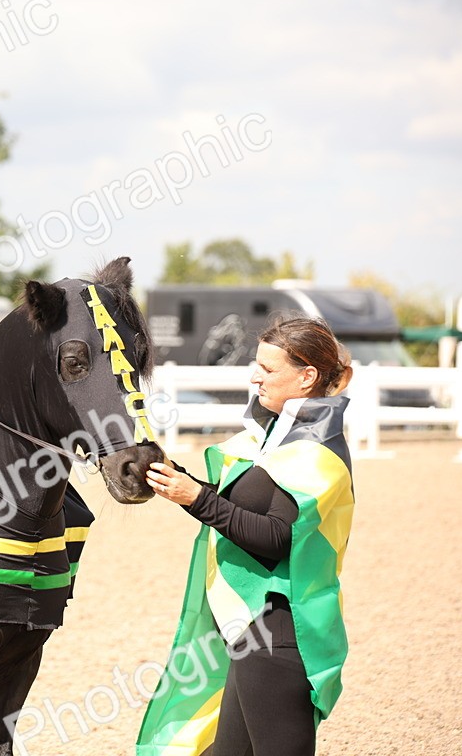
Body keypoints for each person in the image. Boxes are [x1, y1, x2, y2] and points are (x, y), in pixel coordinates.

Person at [136, 313, 356, 756]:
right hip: (251, 630)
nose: (255, 376)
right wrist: (175, 479)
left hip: (279, 631)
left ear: (307, 376)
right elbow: (237, 508)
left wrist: (196, 498)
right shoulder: (276, 436)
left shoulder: (316, 451)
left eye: (269, 369)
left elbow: (276, 538)